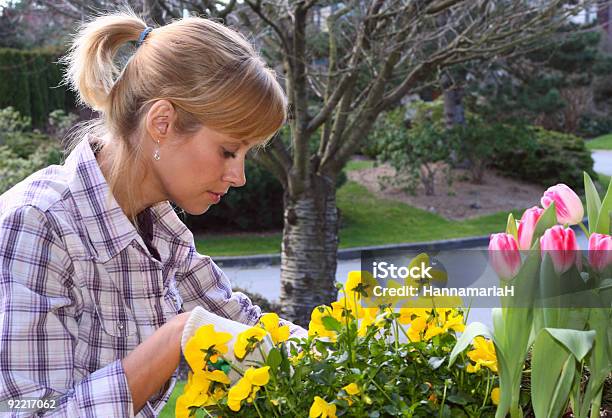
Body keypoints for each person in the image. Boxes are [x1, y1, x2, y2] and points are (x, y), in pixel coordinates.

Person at [0, 9, 306, 418]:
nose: (239, 176)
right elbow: (21, 409)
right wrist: (175, 337)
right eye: (229, 150)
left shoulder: (159, 228)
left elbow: (249, 330)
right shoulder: (35, 225)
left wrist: (386, 351)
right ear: (161, 122)